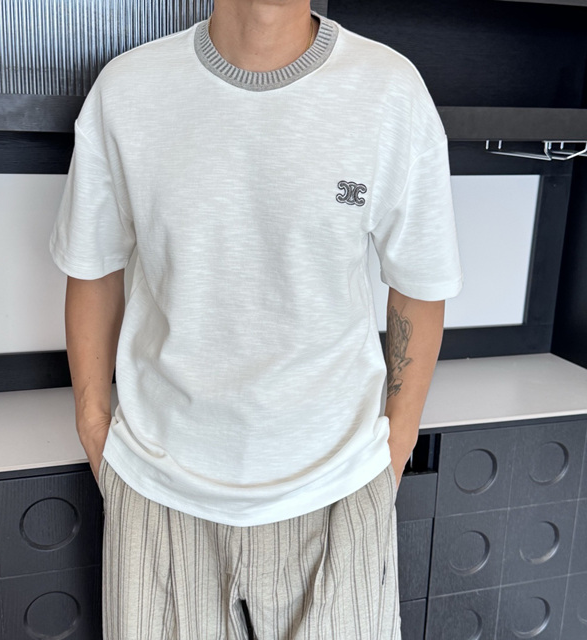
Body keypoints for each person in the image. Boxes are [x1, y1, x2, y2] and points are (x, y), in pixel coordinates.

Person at [49, 0, 463, 637]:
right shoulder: (126, 91)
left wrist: (396, 444)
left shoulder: (391, 92)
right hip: (159, 489)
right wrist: (93, 425)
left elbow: (419, 286)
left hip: (339, 487)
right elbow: (92, 269)